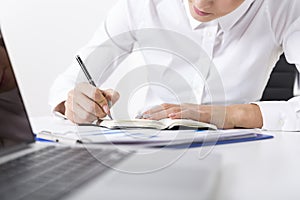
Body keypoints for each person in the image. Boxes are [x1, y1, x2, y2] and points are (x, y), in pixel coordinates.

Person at [49, 0, 300, 131]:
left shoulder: (283, 7)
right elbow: (69, 82)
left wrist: (230, 115)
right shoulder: (143, 4)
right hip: (148, 147)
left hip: (244, 154)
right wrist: (72, 103)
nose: (201, 4)